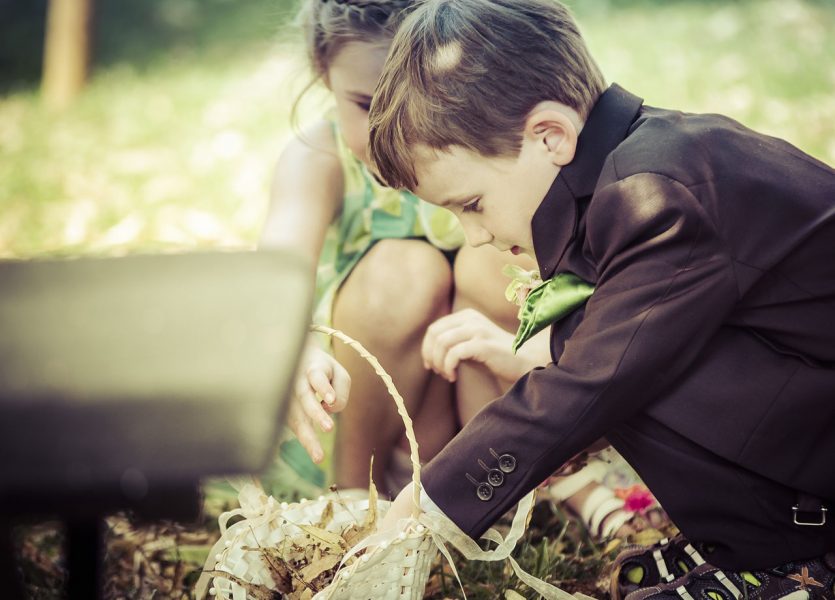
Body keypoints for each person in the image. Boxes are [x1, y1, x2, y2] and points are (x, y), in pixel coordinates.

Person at [367, 0, 835, 598]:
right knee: (591, 335)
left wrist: (425, 504)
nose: (475, 235)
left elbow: (594, 380)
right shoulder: (634, 166)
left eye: (472, 205)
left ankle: (796, 551)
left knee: (613, 361)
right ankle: (754, 535)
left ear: (550, 136)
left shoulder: (654, 196)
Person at [271, 0, 658, 542]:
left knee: (494, 259)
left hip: (495, 403)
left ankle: (548, 472)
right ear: (322, 75)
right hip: (390, 417)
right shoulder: (319, 156)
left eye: (409, 102)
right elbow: (276, 275)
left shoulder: (487, 149)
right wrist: (291, 344)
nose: (392, 130)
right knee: (402, 270)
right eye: (365, 104)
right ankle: (354, 498)